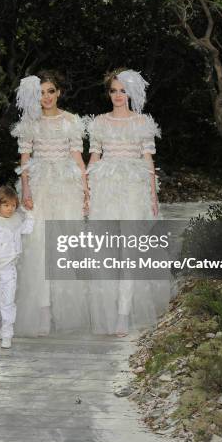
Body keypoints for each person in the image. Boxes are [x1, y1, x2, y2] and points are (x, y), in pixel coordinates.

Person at [86, 68, 170, 336]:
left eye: (123, 90)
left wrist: (153, 194)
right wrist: (86, 191)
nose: (118, 95)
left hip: (134, 189)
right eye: (113, 90)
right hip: (105, 189)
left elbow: (148, 160)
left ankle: (123, 313)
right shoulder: (99, 122)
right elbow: (94, 157)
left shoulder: (142, 123)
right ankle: (108, 310)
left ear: (131, 93)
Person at [10, 70, 89, 336]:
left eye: (50, 91)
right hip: (40, 188)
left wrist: (86, 191)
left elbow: (78, 158)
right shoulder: (30, 123)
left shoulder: (71, 121)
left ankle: (64, 312)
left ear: (59, 93)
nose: (46, 97)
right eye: (41, 93)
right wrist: (26, 192)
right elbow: (24, 160)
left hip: (66, 187)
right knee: (39, 246)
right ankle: (42, 314)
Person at [0, 185, 34, 348]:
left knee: (8, 302)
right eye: (6, 205)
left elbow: (28, 228)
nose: (10, 209)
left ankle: (7, 333)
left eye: (12, 205)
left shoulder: (16, 222)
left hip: (10, 269)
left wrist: (30, 213)